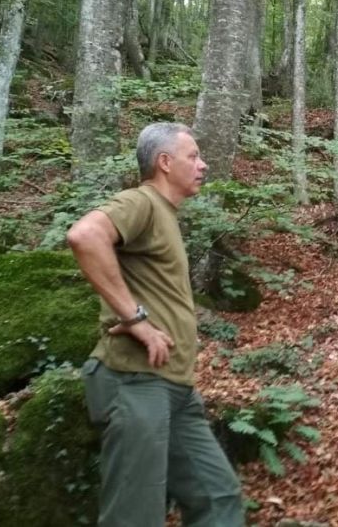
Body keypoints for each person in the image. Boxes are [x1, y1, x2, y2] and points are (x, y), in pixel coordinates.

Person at [67, 122, 244, 527]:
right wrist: (135, 319)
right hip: (135, 383)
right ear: (164, 162)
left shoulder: (165, 215)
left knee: (218, 497)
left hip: (176, 389)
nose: (203, 165)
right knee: (135, 516)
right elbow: (85, 235)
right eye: (193, 156)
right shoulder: (141, 202)